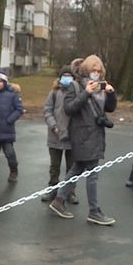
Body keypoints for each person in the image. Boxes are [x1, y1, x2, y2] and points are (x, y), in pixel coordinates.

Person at [49, 54, 118, 226]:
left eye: (99, 71)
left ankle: (59, 200)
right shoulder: (76, 86)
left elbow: (110, 108)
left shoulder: (101, 86)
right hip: (82, 134)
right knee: (92, 174)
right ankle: (94, 211)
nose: (96, 73)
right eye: (93, 70)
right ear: (86, 70)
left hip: (96, 134)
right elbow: (69, 108)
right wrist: (86, 93)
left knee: (77, 168)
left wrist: (111, 93)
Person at [41, 66, 78, 203]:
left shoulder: (77, 92)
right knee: (54, 166)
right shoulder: (54, 93)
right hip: (55, 135)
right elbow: (47, 111)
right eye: (64, 75)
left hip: (72, 136)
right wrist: (54, 126)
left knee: (72, 167)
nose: (67, 78)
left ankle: (70, 192)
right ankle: (53, 190)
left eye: (69, 76)